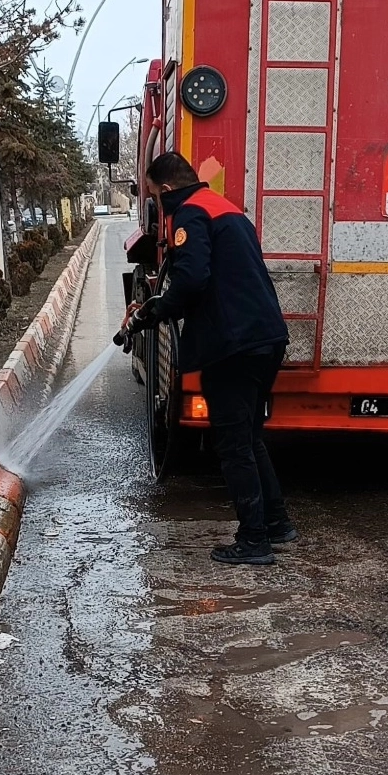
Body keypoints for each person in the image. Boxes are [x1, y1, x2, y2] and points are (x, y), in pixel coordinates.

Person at [125, 152, 297, 566]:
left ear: (167, 190)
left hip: (233, 346)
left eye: (155, 196)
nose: (158, 205)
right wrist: (157, 307)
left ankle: (254, 541)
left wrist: (154, 311)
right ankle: (276, 523)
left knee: (233, 444)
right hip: (265, 339)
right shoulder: (226, 208)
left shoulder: (190, 214)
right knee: (249, 437)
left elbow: (191, 279)